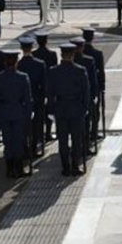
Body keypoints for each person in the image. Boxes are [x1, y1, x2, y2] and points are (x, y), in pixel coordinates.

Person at [50, 42, 90, 176]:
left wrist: (51, 110)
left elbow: (50, 93)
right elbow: (86, 91)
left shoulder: (53, 71)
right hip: (76, 108)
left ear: (62, 54)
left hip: (60, 108)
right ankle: (75, 166)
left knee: (63, 140)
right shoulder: (80, 70)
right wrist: (85, 108)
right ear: (73, 55)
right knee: (76, 139)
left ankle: (65, 167)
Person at [0, 50, 33, 178]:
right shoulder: (23, 77)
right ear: (16, 62)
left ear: (5, 62)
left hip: (4, 112)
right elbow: (28, 98)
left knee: (7, 141)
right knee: (18, 141)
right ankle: (19, 168)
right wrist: (28, 113)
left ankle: (9, 169)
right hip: (19, 112)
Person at [18, 36, 48, 156]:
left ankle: (25, 147)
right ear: (32, 47)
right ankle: (35, 146)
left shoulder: (19, 64)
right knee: (37, 124)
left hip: (22, 99)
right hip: (37, 97)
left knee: (24, 125)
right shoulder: (40, 64)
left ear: (21, 48)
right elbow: (44, 83)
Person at [34, 31, 58, 143]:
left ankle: (39, 134)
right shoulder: (52, 54)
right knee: (50, 110)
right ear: (46, 41)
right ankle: (48, 132)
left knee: (38, 112)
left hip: (37, 87)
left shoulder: (34, 54)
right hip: (50, 85)